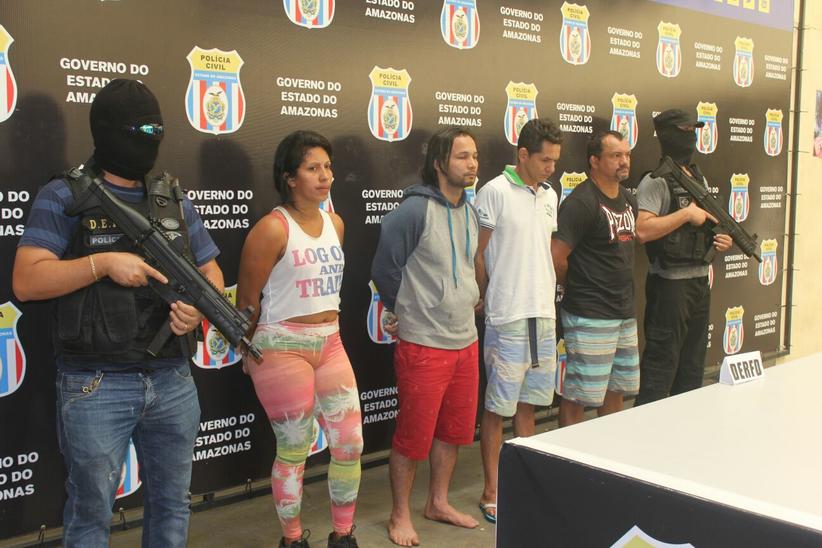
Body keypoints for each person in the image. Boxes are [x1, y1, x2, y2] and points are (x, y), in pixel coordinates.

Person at [12, 79, 224, 547]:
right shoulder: (64, 195)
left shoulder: (171, 196)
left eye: (155, 130)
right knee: (91, 514)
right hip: (96, 383)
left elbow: (210, 270)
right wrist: (102, 264)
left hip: (171, 377)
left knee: (172, 505)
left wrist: (196, 309)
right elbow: (26, 280)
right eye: (139, 130)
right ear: (107, 130)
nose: (149, 139)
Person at [237, 130, 362, 548]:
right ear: (290, 178)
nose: (325, 176)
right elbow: (247, 303)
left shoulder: (335, 224)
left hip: (331, 341)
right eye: (313, 168)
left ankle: (343, 536)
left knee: (350, 444)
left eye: (328, 167)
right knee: (294, 448)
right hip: (280, 346)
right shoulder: (271, 229)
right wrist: (247, 349)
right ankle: (292, 540)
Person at [371, 126, 481, 547]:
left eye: (474, 156)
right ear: (438, 164)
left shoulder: (470, 211)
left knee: (453, 431)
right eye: (462, 157)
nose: (472, 164)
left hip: (465, 341)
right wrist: (404, 310)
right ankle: (399, 514)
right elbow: (384, 269)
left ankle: (438, 502)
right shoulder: (413, 211)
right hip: (424, 344)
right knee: (412, 437)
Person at [474, 118, 562, 523]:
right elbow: (478, 253)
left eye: (555, 161)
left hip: (543, 314)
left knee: (529, 406)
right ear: (523, 154)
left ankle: (524, 485)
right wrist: (483, 295)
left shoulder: (550, 194)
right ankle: (491, 490)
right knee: (497, 407)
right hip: (507, 315)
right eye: (545, 160)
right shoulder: (493, 191)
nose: (551, 168)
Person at [633, 109, 733, 406]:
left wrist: (721, 239)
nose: (690, 137)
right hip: (670, 287)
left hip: (699, 283)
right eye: (684, 131)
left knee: (691, 371)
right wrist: (686, 214)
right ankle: (645, 431)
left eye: (693, 131)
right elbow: (642, 230)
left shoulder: (698, 177)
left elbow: (705, 225)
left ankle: (683, 431)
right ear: (667, 135)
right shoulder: (656, 180)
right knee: (659, 369)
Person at [551, 130, 639, 426]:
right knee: (579, 394)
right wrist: (576, 286)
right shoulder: (581, 202)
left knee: (617, 389)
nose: (624, 161)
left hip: (624, 311)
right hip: (590, 313)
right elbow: (557, 256)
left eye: (626, 154)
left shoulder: (629, 199)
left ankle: (608, 448)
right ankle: (567, 451)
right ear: (594, 161)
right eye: (616, 155)